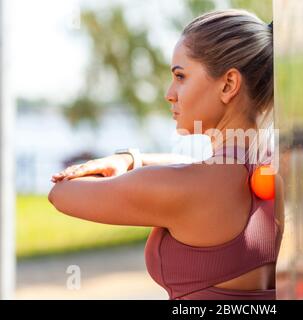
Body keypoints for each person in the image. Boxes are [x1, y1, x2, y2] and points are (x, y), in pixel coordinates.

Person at [49, 9, 283, 300]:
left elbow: (61, 193)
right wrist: (131, 159)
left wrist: (128, 162)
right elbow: (197, 169)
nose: (169, 93)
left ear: (228, 84)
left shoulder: (189, 187)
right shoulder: (272, 166)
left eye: (180, 76)